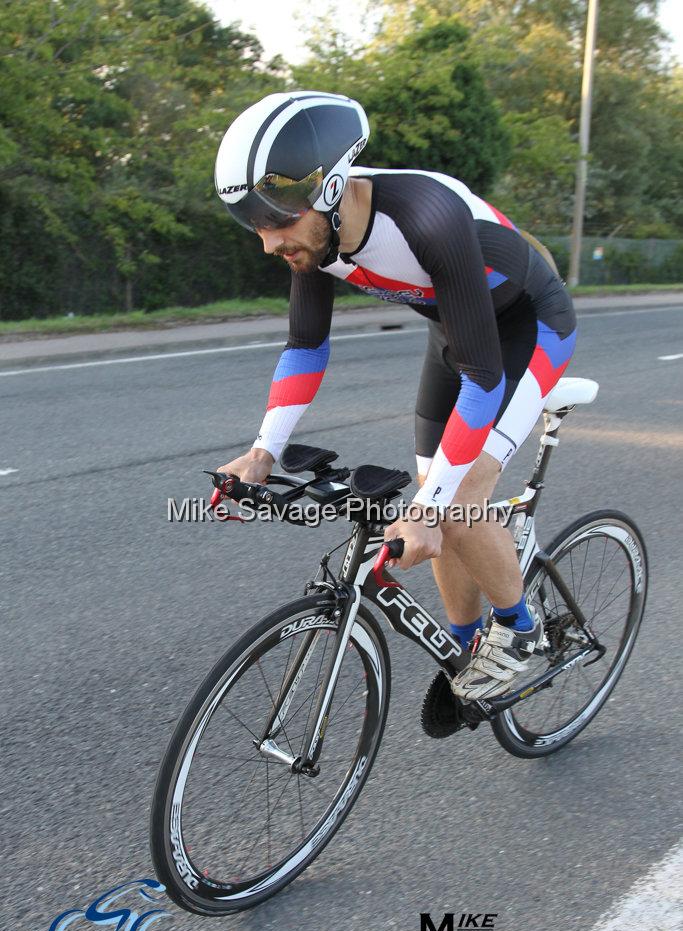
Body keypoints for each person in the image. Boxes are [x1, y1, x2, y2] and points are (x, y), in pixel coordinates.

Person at [213, 91, 577, 702]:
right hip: (457, 334)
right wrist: (261, 453)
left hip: (528, 329)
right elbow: (305, 347)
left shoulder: (426, 214)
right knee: (435, 486)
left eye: (274, 222)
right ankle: (468, 651)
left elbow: (484, 377)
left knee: (455, 499)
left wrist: (434, 506)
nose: (268, 244)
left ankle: (522, 633)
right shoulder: (318, 242)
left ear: (327, 190)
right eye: (255, 225)